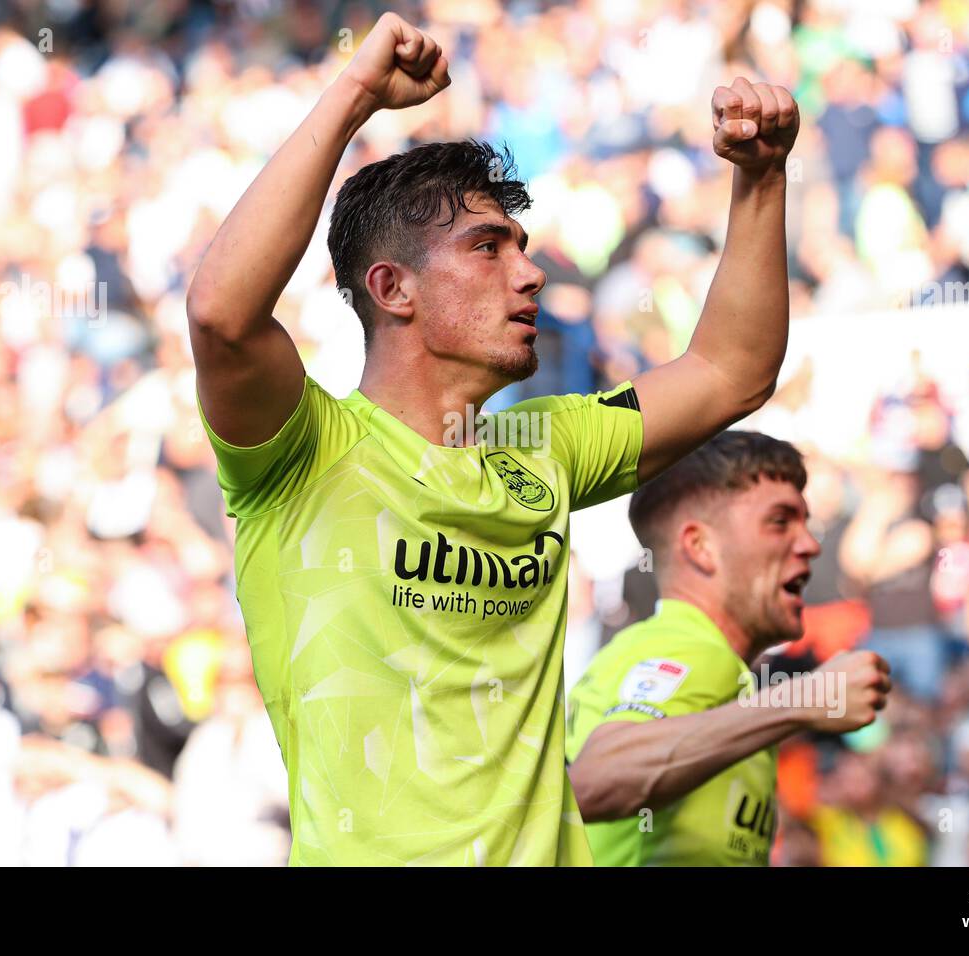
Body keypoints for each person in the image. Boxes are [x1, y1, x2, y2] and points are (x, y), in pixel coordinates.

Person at [186, 13, 800, 865]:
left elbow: (734, 371)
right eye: (488, 247)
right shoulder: (303, 450)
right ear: (392, 288)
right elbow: (220, 314)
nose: (530, 270)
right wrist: (356, 93)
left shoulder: (545, 446)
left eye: (522, 244)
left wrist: (762, 179)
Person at [565, 432, 890, 865]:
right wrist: (802, 700)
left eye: (806, 522)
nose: (810, 544)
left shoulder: (720, 675)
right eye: (779, 521)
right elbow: (593, 782)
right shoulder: (689, 650)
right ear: (700, 546)